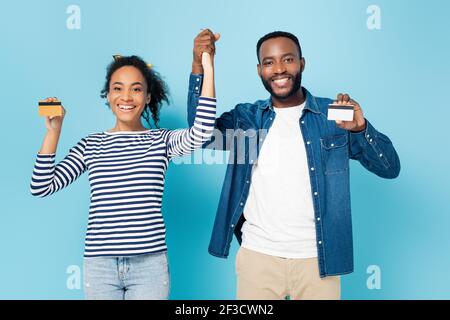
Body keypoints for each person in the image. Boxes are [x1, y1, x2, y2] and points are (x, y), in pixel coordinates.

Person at [187, 30, 400, 300]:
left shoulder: (332, 114)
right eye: (269, 62)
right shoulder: (246, 118)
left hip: (318, 260)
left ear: (302, 63)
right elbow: (200, 135)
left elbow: (389, 168)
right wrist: (200, 67)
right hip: (258, 258)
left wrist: (361, 128)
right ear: (259, 70)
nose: (279, 69)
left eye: (287, 59)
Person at [30, 51, 216, 300]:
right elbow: (42, 186)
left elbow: (202, 132)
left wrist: (208, 64)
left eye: (136, 89)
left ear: (148, 96)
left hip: (149, 266)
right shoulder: (91, 145)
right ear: (108, 96)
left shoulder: (161, 141)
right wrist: (54, 132)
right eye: (118, 88)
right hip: (100, 267)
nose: (126, 97)